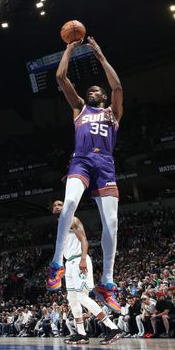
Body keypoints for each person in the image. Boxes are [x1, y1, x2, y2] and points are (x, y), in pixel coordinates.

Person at [47, 37, 123, 314]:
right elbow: (60, 76)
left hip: (105, 164)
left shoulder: (113, 112)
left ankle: (107, 281)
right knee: (68, 205)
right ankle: (56, 263)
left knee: (112, 223)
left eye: (96, 90)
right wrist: (69, 47)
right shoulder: (79, 109)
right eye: (89, 90)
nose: (92, 92)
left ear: (102, 97)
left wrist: (101, 56)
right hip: (80, 160)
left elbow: (117, 86)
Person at [50, 199, 123, 346]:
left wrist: (83, 259)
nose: (57, 207)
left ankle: (114, 328)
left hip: (79, 260)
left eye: (60, 205)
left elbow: (84, 240)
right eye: (55, 206)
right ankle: (82, 334)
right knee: (72, 300)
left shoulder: (72, 219)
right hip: (69, 263)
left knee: (82, 297)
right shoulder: (61, 225)